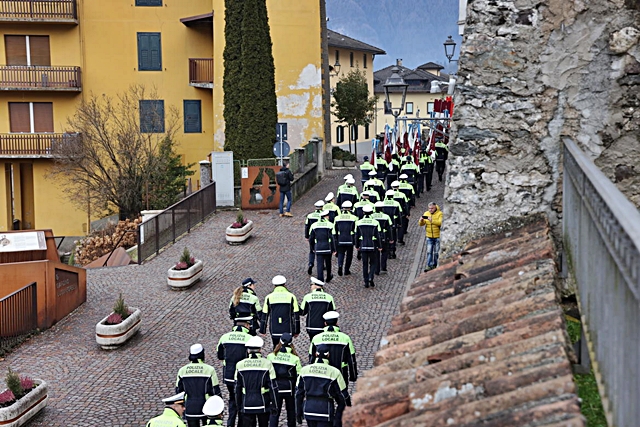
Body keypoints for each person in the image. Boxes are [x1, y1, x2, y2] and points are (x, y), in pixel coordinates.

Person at [296, 344, 349, 427]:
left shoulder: (304, 370)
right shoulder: (335, 372)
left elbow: (298, 394)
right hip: (325, 410)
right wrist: (341, 415)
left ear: (316, 354)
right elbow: (343, 396)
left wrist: (298, 412)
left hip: (309, 410)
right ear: (328, 355)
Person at [217, 312, 253, 427]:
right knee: (242, 400)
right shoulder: (249, 339)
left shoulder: (224, 337)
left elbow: (220, 355)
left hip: (228, 376)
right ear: (246, 325)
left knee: (232, 400)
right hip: (243, 377)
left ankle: (230, 423)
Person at [235, 336, 279, 427]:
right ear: (260, 350)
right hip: (263, 403)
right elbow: (273, 386)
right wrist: (275, 405)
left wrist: (238, 405)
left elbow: (237, 388)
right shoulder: (267, 364)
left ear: (248, 350)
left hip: (246, 403)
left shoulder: (240, 365)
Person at [176, 344, 222, 427]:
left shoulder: (182, 370)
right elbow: (216, 390)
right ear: (202, 354)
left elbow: (178, 391)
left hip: (190, 407)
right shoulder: (210, 369)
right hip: (206, 407)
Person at [309, 311, 358, 384]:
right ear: (336, 323)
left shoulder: (316, 338)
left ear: (325, 323)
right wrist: (353, 376)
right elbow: (351, 358)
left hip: (322, 374)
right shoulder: (345, 338)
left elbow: (311, 358)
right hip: (341, 372)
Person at [267, 333, 302, 427]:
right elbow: (299, 375)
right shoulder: (295, 358)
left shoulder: (271, 356)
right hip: (289, 387)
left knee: (274, 412)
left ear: (280, 342)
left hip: (276, 387)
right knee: (291, 411)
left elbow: (267, 374)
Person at [261, 275, 301, 348]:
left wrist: (262, 330)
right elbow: (296, 316)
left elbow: (265, 315)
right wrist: (297, 331)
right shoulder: (291, 297)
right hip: (288, 328)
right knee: (288, 347)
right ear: (284, 285)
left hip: (274, 329)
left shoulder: (269, 297)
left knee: (275, 347)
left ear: (274, 285)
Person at [355, 204, 382, 288]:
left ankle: (366, 281)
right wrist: (380, 246)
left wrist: (357, 245)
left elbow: (356, 235)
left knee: (364, 264)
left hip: (363, 246)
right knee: (373, 263)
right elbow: (378, 236)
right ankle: (371, 276)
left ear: (363, 212)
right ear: (371, 212)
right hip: (372, 246)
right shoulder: (375, 222)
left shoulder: (358, 222)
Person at [308, 210, 336, 283]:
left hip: (318, 247)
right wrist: (334, 249)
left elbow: (311, 239)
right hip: (327, 247)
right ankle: (329, 276)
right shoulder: (330, 225)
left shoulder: (314, 225)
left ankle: (320, 280)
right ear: (326, 217)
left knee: (319, 265)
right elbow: (333, 238)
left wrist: (312, 248)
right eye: (328, 216)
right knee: (328, 263)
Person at [333, 201, 357, 276]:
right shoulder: (354, 218)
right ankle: (346, 270)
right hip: (350, 239)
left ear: (342, 208)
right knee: (349, 255)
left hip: (340, 239)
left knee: (340, 253)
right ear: (350, 208)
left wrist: (336, 239)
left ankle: (340, 266)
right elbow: (355, 230)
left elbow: (334, 230)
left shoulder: (337, 218)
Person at [419, 202, 443, 271]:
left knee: (436, 252)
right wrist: (421, 221)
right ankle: (429, 265)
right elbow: (421, 224)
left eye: (432, 208)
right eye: (429, 208)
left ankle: (435, 264)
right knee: (429, 252)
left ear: (435, 207)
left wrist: (432, 221)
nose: (430, 210)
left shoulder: (440, 214)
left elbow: (440, 222)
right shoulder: (426, 213)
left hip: (437, 236)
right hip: (429, 236)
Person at [372, 201, 393, 274]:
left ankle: (376, 270)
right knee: (384, 252)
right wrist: (391, 238)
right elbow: (389, 228)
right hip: (384, 235)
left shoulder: (372, 216)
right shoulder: (386, 216)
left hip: (374, 237)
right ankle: (383, 267)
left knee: (376, 254)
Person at [380, 189, 402, 259]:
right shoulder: (396, 203)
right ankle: (392, 251)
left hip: (385, 223)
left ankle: (388, 252)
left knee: (387, 237)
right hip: (393, 222)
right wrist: (400, 223)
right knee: (393, 237)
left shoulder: (382, 203)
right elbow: (399, 213)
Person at [305, 200, 325, 275]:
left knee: (311, 250)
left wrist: (307, 236)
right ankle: (322, 265)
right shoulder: (323, 215)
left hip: (311, 235)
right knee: (321, 251)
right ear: (322, 207)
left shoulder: (310, 215)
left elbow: (307, 226)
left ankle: (310, 263)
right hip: (320, 235)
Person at [390, 181, 409, 245]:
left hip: (391, 215)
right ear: (398, 187)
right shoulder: (402, 194)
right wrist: (407, 213)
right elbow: (406, 204)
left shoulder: (388, 195)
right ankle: (400, 240)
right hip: (401, 213)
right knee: (401, 226)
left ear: (392, 187)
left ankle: (393, 239)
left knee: (392, 228)